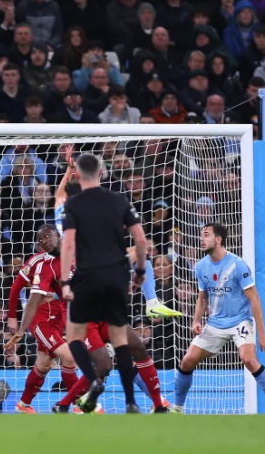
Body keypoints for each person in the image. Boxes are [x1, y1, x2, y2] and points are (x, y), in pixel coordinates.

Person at [59, 152, 148, 413]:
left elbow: (68, 245)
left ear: (77, 174)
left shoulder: (73, 205)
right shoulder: (118, 199)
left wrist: (65, 282)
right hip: (116, 274)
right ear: (101, 172)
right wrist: (140, 270)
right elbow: (141, 241)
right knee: (120, 339)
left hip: (87, 275)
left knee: (74, 336)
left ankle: (94, 379)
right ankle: (131, 402)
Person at [171, 223, 265, 414]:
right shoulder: (201, 266)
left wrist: (262, 333)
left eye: (206, 235)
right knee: (187, 361)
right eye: (201, 235)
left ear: (218, 239)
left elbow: (255, 300)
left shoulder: (238, 264)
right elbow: (202, 297)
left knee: (248, 359)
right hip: (215, 323)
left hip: (240, 321)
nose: (202, 239)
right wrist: (197, 320)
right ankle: (177, 409)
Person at [3, 225, 79, 413]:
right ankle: (80, 404)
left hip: (60, 316)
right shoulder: (39, 263)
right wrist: (13, 318)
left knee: (43, 365)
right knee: (69, 357)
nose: (43, 241)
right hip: (41, 319)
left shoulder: (74, 258)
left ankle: (23, 405)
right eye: (39, 240)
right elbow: (16, 288)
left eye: (46, 236)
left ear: (58, 235)